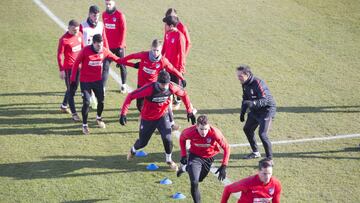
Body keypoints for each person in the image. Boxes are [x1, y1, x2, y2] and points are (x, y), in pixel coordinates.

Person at [118, 70, 196, 170]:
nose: (164, 87)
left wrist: (189, 111)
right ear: (157, 82)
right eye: (162, 84)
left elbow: (184, 94)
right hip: (148, 118)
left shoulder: (171, 87)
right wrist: (123, 113)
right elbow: (131, 96)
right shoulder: (149, 88)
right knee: (143, 142)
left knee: (167, 139)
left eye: (166, 84)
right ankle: (133, 150)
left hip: (162, 116)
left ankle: (169, 160)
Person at [70, 34, 122, 135]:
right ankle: (84, 125)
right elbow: (76, 63)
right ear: (93, 43)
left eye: (101, 44)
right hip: (85, 81)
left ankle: (99, 118)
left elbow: (116, 58)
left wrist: (127, 62)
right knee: (86, 103)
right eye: (98, 45)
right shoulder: (85, 50)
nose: (100, 47)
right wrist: (72, 79)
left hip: (98, 81)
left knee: (101, 101)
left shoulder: (104, 50)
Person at [118, 39, 185, 113]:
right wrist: (122, 60)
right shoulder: (144, 55)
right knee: (139, 105)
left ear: (161, 50)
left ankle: (151, 118)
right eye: (154, 50)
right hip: (141, 85)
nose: (155, 53)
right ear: (151, 48)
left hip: (153, 86)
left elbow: (172, 69)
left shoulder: (163, 61)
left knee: (152, 106)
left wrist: (182, 78)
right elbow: (133, 56)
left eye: (157, 50)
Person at [177, 115, 230, 203]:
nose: (204, 132)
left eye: (206, 129)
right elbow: (182, 139)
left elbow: (227, 148)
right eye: (201, 129)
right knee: (194, 182)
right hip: (195, 157)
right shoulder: (189, 132)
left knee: (200, 179)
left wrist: (224, 165)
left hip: (209, 158)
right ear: (197, 126)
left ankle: (185, 168)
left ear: (208, 126)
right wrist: (183, 155)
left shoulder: (215, 133)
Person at [237, 65, 276, 160]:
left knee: (262, 134)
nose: (238, 78)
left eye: (240, 76)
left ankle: (269, 159)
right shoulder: (244, 83)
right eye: (237, 76)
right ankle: (255, 152)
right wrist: (242, 113)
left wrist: (253, 103)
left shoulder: (258, 83)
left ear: (247, 75)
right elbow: (245, 100)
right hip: (256, 111)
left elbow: (265, 100)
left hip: (267, 110)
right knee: (247, 129)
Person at [80, 5, 109, 109]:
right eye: (94, 15)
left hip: (99, 56)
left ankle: (96, 94)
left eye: (97, 15)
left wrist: (108, 52)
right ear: (89, 14)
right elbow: (79, 41)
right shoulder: (82, 26)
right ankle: (90, 97)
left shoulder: (101, 25)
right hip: (86, 57)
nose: (96, 17)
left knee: (99, 74)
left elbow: (104, 39)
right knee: (87, 78)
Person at [57, 19, 83, 121]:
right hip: (69, 69)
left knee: (73, 89)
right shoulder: (64, 40)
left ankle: (64, 106)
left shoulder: (80, 35)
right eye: (73, 30)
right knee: (71, 91)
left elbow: (83, 48)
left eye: (77, 29)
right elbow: (59, 55)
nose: (76, 31)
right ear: (68, 28)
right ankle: (74, 114)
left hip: (79, 67)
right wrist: (61, 69)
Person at [102, 0, 128, 93]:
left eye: (110, 4)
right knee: (105, 66)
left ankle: (124, 85)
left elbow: (124, 30)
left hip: (119, 47)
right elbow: (104, 31)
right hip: (108, 47)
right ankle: (103, 87)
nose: (108, 6)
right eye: (106, 4)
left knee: (122, 65)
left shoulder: (120, 15)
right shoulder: (104, 15)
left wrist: (121, 45)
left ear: (114, 3)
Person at [162, 15, 186, 110]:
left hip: (176, 69)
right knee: (168, 87)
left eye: (166, 25)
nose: (164, 26)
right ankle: (168, 105)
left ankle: (187, 105)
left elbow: (182, 54)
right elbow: (164, 48)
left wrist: (180, 70)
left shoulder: (180, 36)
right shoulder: (167, 34)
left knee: (177, 89)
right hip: (167, 67)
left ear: (171, 25)